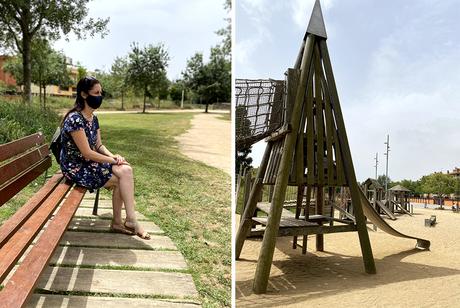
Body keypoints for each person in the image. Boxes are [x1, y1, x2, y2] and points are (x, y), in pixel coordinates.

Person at [60, 76, 150, 239]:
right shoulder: (75, 119)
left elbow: (99, 146)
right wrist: (113, 161)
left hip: (88, 163)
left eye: (101, 92)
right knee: (121, 179)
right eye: (96, 92)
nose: (99, 96)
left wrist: (113, 155)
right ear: (84, 95)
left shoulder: (93, 118)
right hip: (76, 167)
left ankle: (129, 220)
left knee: (126, 170)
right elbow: (87, 152)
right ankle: (125, 222)